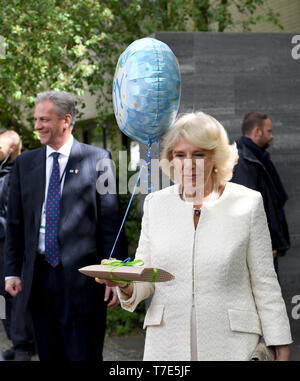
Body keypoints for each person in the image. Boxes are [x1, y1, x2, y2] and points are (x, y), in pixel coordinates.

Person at [97, 111, 292, 361]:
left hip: (232, 344)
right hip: (167, 346)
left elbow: (265, 282)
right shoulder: (156, 204)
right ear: (171, 159)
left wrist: (280, 342)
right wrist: (123, 282)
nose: (188, 164)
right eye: (180, 155)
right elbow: (146, 276)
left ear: (216, 157)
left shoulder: (248, 202)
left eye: (198, 154)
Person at [4, 91, 127, 361]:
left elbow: (111, 222)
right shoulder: (25, 163)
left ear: (66, 120)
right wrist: (11, 270)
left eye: (44, 119)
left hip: (84, 281)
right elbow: (15, 224)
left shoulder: (98, 158)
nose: (37, 126)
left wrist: (114, 273)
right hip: (38, 280)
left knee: (85, 355)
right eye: (36, 119)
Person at [231, 112, 290, 276]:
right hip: (260, 249)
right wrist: (262, 245)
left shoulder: (256, 158)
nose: (271, 136)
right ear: (257, 131)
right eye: (269, 131)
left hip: (265, 245)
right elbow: (246, 209)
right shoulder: (244, 161)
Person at [0, 131, 36, 361]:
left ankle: (26, 344)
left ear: (13, 149)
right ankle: (14, 339)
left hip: (14, 246)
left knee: (17, 294)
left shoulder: (25, 174)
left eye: (0, 148)